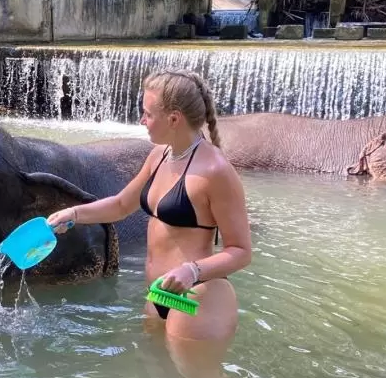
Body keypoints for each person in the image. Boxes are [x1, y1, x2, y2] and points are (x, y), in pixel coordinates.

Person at [46, 69, 252, 344]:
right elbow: (120, 205)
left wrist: (192, 271)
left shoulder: (215, 171)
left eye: (148, 114)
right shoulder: (159, 156)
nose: (142, 120)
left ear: (174, 119)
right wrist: (73, 213)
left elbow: (241, 251)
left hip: (196, 293)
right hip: (158, 294)